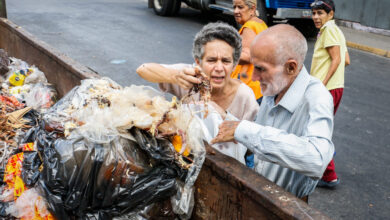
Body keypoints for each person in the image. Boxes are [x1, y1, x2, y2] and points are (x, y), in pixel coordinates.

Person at [211, 24, 335, 200]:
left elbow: (317, 159)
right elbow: (260, 135)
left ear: (291, 68)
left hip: (287, 204)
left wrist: (243, 130)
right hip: (259, 192)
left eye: (261, 69)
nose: (254, 77)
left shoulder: (316, 97)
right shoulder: (275, 88)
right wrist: (225, 118)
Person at [136, 22, 259, 165]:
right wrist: (175, 76)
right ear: (198, 62)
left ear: (235, 64)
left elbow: (252, 145)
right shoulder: (189, 77)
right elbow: (143, 69)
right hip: (187, 159)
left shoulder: (245, 96)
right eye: (211, 60)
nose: (219, 68)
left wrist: (225, 118)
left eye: (226, 61)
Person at [310, 0, 350, 188]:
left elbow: (337, 59)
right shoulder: (336, 31)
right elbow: (346, 60)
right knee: (319, 128)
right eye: (314, 13)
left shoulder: (329, 30)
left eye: (320, 13)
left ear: (330, 14)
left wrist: (322, 84)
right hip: (334, 88)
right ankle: (325, 165)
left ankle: (329, 175)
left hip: (327, 89)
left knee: (318, 130)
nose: (316, 17)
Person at [231, 0, 268, 103]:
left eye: (240, 7)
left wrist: (225, 54)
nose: (236, 11)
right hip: (259, 87)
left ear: (252, 9)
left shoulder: (249, 27)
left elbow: (247, 56)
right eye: (234, 7)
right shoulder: (260, 24)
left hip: (249, 88)